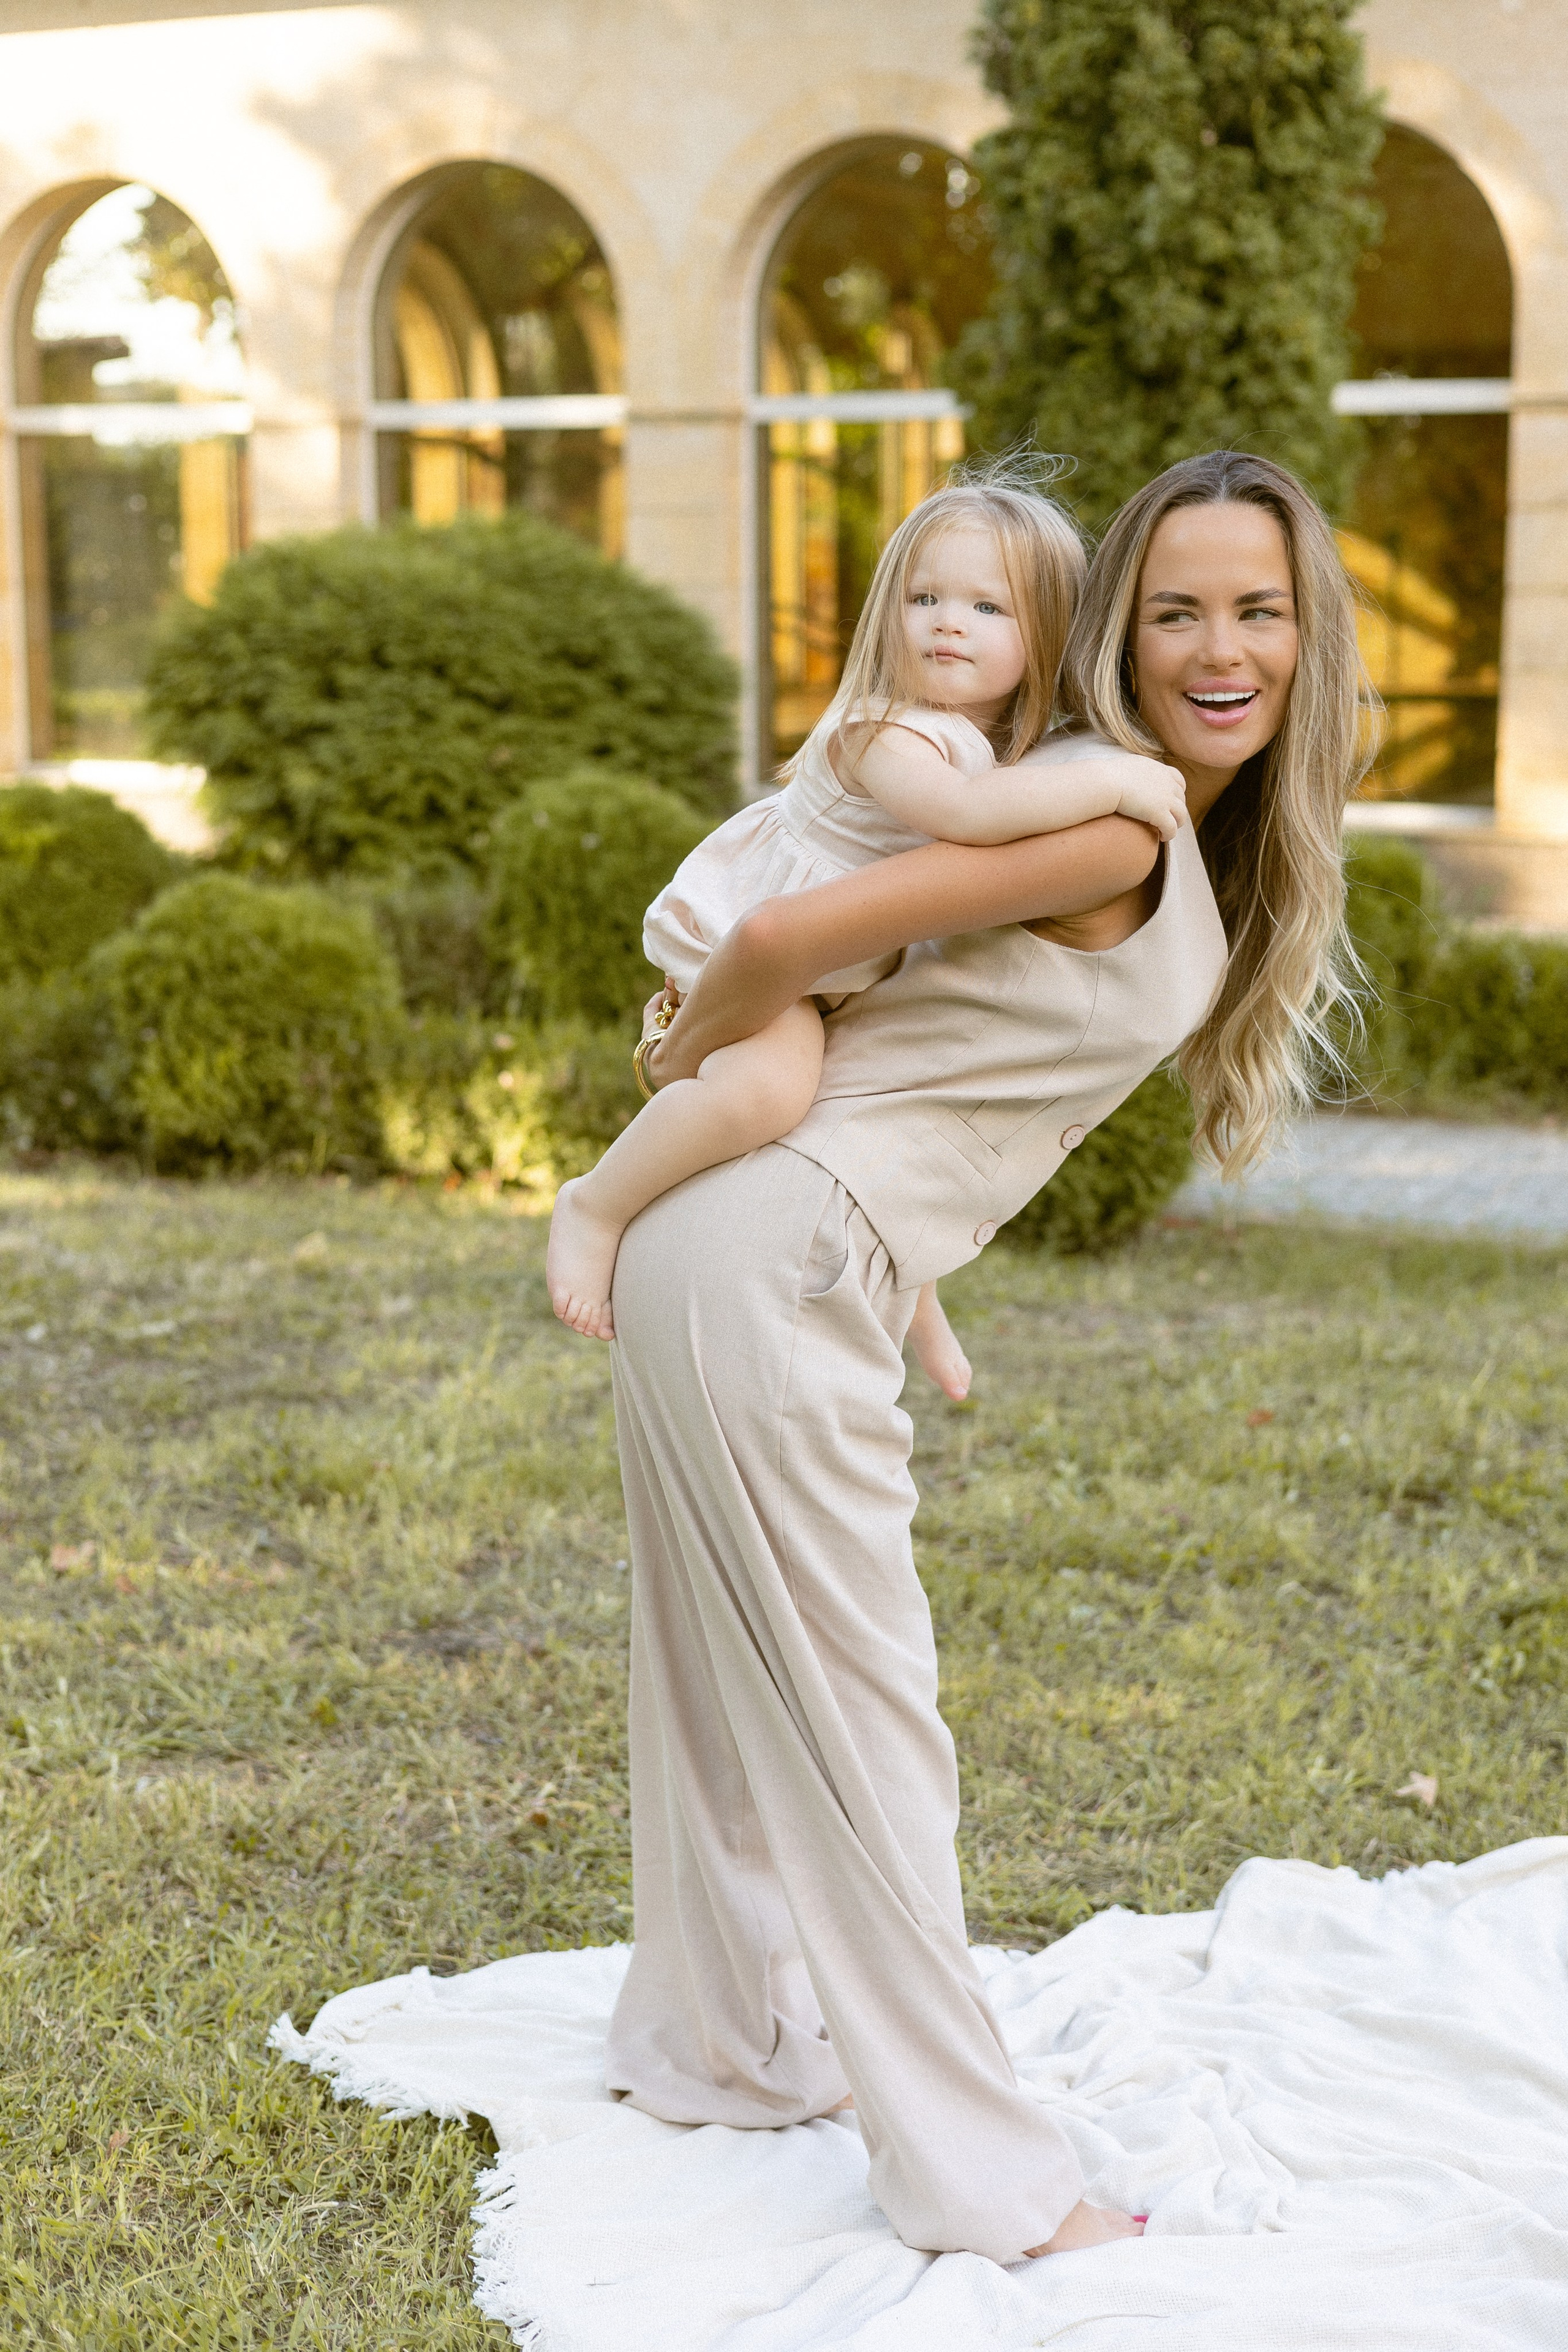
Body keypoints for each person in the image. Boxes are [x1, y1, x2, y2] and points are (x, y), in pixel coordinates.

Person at [600, 450, 1371, 2266]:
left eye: (1258, 608)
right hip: (766, 1251)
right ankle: (990, 2186)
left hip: (755, 1253)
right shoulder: (1111, 827)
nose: (1219, 646)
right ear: (1115, 629)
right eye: (1175, 608)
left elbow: (921, 1055)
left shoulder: (1132, 826)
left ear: (1309, 633)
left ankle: (714, 2043)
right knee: (870, 1732)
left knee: (720, 1694)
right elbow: (786, 939)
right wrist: (672, 1074)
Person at [545, 472, 1188, 1385]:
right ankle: (596, 1204)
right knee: (769, 1094)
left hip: (835, 974)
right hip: (756, 952)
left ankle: (919, 1317)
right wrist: (1120, 784)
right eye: (924, 597)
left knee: (871, 1139)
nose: (946, 621)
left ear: (1048, 633)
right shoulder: (881, 728)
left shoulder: (1010, 752)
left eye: (986, 606)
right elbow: (967, 814)